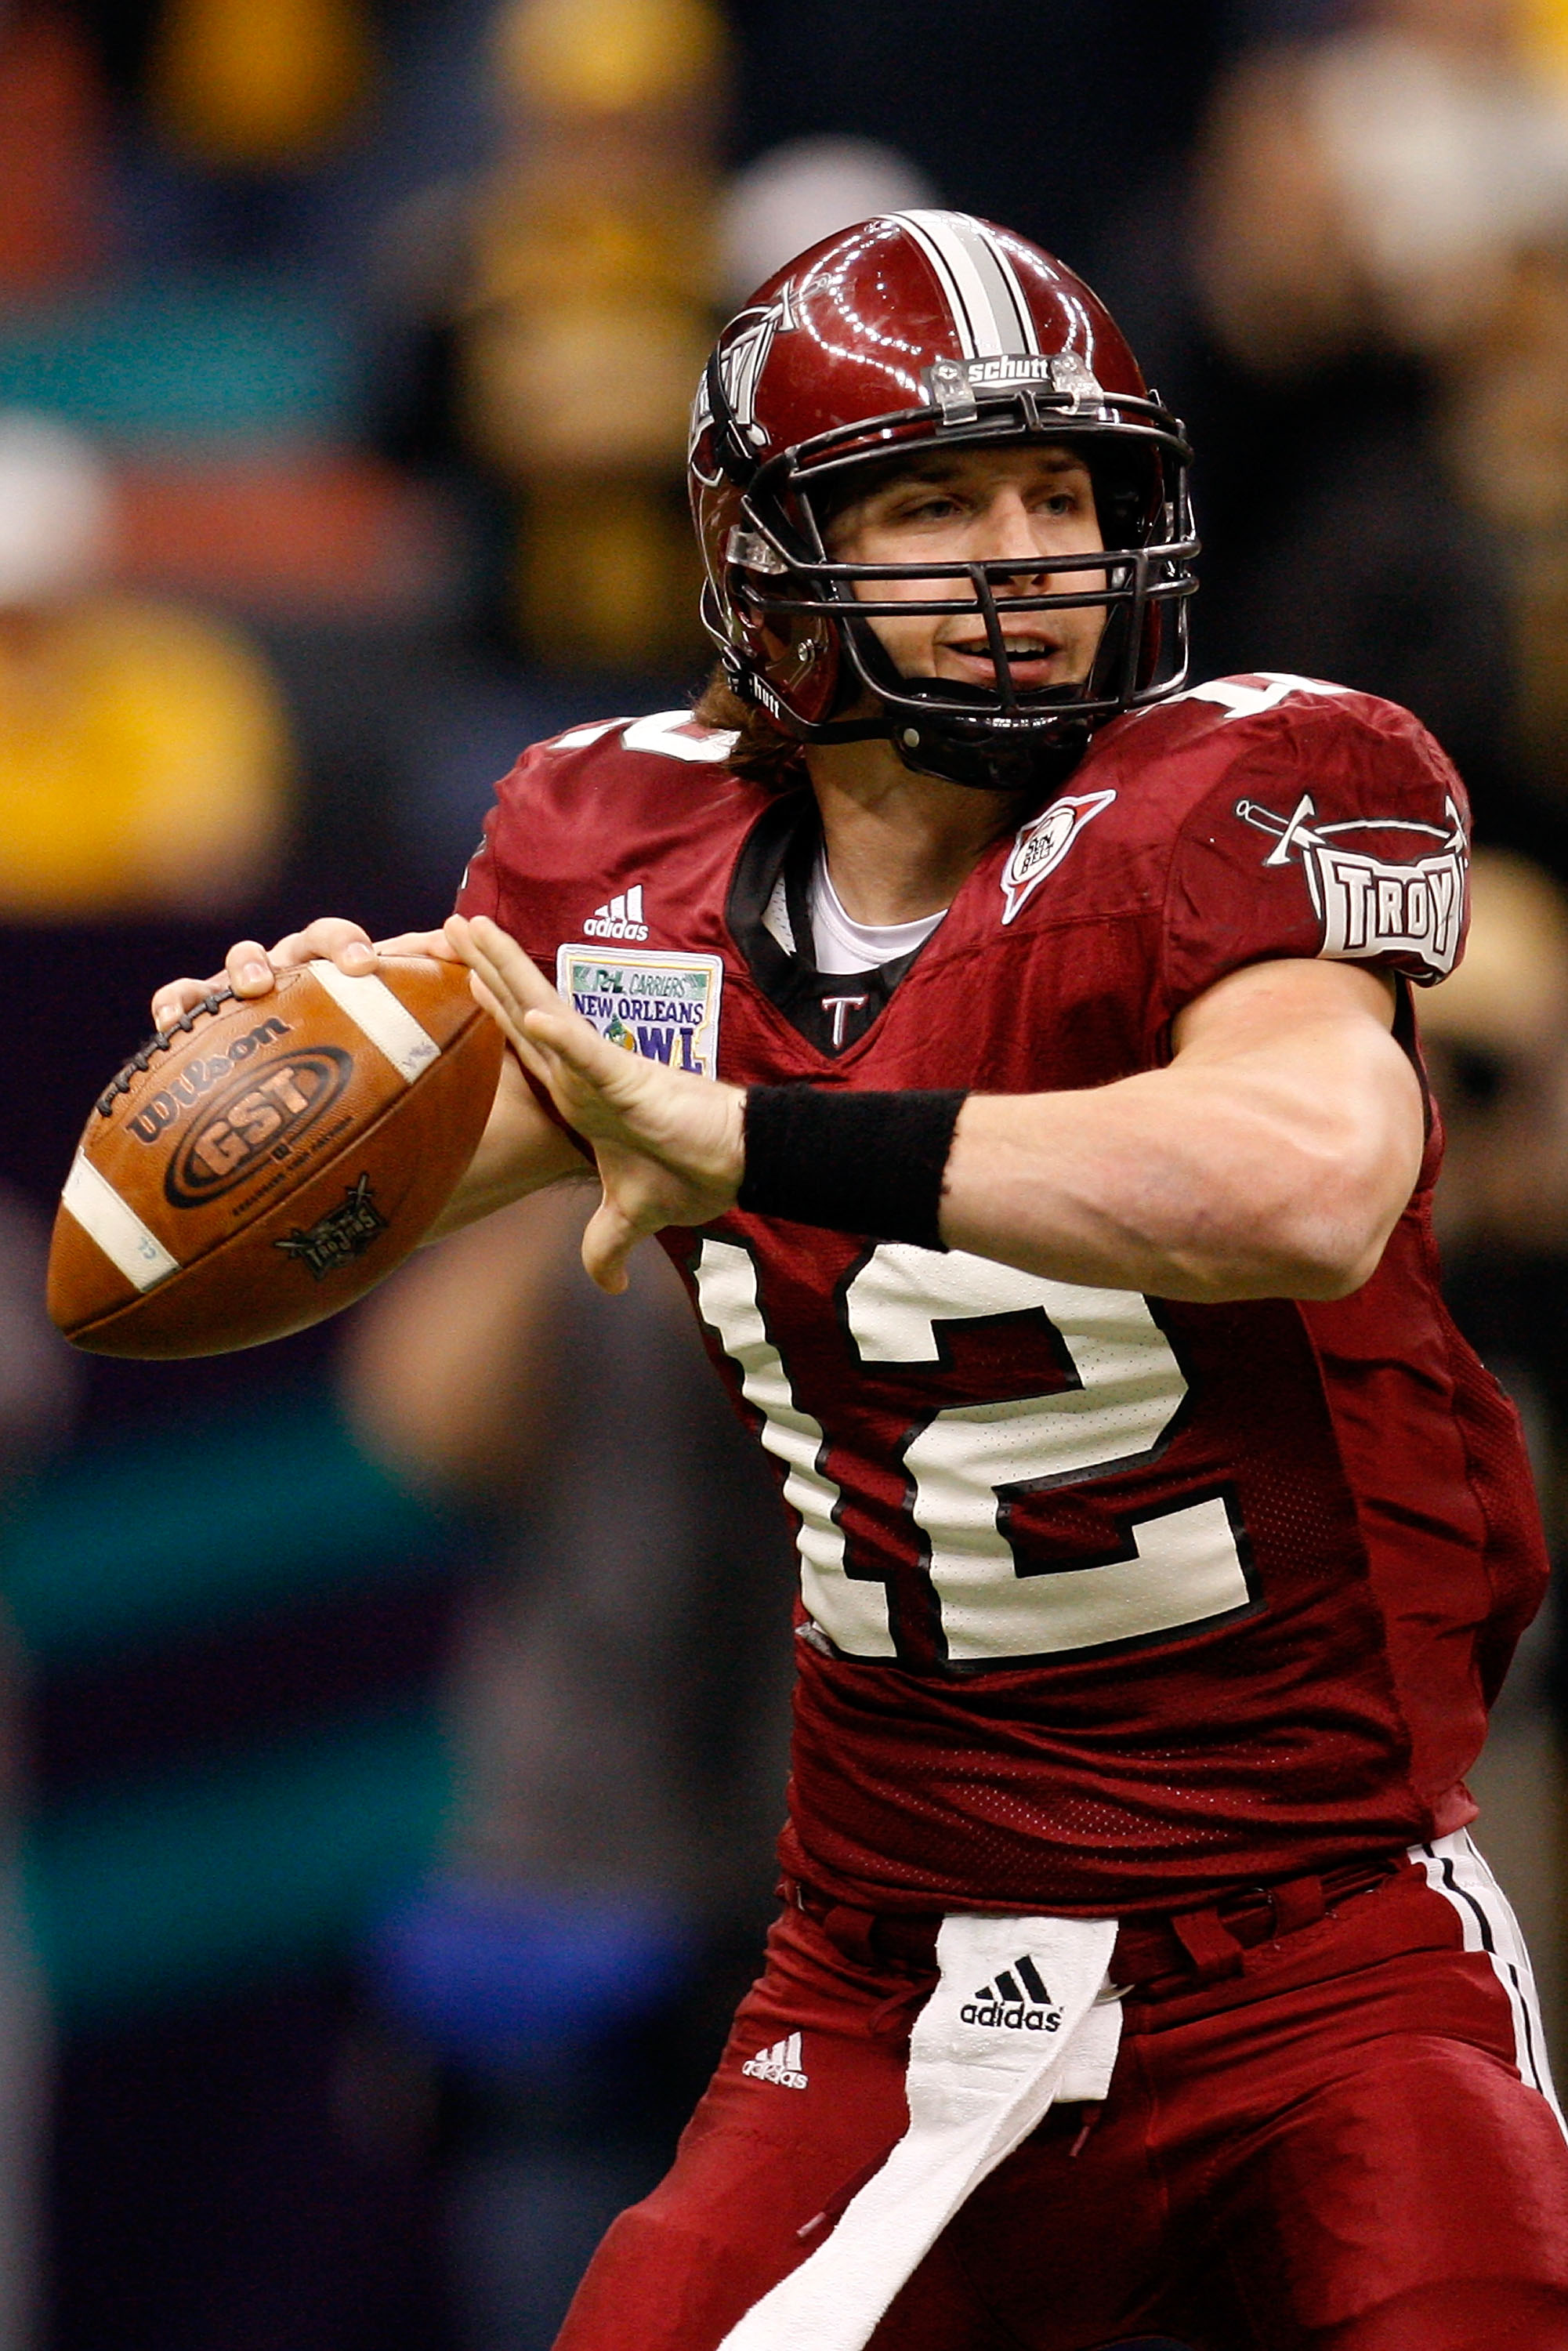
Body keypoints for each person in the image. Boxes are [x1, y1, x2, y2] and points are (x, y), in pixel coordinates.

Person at [151, 212, 1568, 2349]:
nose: (1022, 554)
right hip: (889, 1960)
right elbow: (307, 1222)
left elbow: (1304, 1181)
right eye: (930, 499)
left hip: (1324, 1952)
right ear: (762, 554)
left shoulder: (1243, 789)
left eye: (1057, 492)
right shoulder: (607, 849)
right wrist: (297, 1080)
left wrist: (763, 1138)